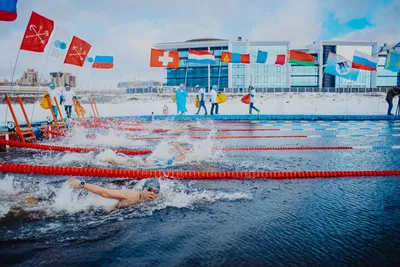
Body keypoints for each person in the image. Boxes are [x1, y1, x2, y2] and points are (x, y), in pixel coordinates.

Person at [66, 178, 160, 210]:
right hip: (104, 211)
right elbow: (105, 192)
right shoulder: (131, 195)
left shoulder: (156, 199)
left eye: (155, 191)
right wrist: (81, 184)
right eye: (149, 189)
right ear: (143, 188)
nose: (152, 193)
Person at [103, 142, 188, 167]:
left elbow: (174, 144)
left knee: (131, 162)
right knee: (131, 163)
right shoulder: (184, 157)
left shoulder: (181, 156)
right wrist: (178, 147)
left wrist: (178, 146)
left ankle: (110, 159)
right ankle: (110, 159)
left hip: (153, 162)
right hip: (153, 163)